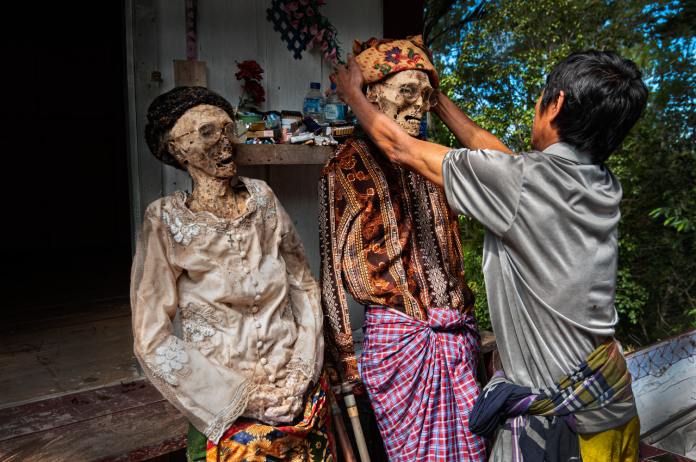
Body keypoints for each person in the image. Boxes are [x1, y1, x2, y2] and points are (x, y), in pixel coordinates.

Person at [333, 49, 648, 461]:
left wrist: (352, 93)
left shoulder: (522, 184)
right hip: (614, 408)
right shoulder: (598, 183)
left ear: (556, 104)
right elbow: (501, 160)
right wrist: (437, 100)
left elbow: (401, 148)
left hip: (567, 433)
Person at [132, 86, 333, 461]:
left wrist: (302, 371)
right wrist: (243, 398)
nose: (226, 142)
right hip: (226, 406)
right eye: (208, 132)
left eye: (229, 129)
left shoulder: (263, 199)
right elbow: (151, 338)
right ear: (176, 149)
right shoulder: (164, 220)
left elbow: (303, 285)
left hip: (297, 392)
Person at [320, 36, 485, 461]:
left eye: (427, 96)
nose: (419, 105)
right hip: (401, 344)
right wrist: (343, 355)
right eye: (407, 91)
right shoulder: (347, 162)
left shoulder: (435, 161)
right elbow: (331, 267)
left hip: (456, 337)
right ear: (373, 94)